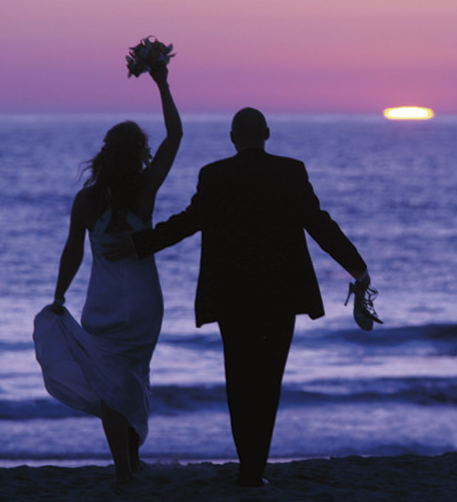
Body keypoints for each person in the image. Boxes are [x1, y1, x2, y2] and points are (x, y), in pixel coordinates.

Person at [104, 107, 374, 487]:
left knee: (240, 380)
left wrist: (137, 244)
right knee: (268, 380)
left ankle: (248, 465)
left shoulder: (214, 176)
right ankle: (254, 469)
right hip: (280, 295)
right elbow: (319, 224)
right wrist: (357, 268)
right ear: (267, 133)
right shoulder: (290, 171)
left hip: (232, 295)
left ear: (233, 138)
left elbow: (186, 223)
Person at [33, 66, 182, 484]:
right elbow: (175, 138)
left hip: (101, 302)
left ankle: (123, 468)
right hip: (144, 302)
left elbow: (73, 252)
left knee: (109, 383)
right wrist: (162, 84)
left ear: (104, 153)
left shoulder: (86, 200)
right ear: (137, 154)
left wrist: (59, 295)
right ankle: (130, 463)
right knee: (134, 377)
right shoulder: (144, 190)